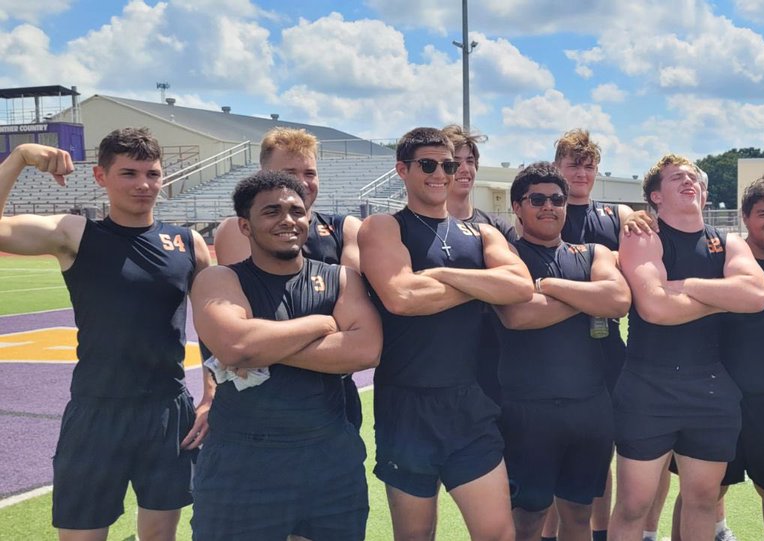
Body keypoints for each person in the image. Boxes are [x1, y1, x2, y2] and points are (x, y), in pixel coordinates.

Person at [0, 128, 212, 541]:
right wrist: (19, 157)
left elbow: (210, 325)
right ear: (101, 176)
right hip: (96, 409)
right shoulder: (75, 234)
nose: (144, 185)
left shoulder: (188, 242)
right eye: (129, 174)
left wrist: (211, 393)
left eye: (152, 173)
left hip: (167, 411)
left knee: (158, 536)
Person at [358, 127, 533, 541]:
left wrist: (438, 275)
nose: (441, 173)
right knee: (416, 536)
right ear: (402, 169)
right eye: (428, 165)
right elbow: (402, 296)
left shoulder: (481, 232)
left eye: (449, 165)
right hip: (406, 404)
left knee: (497, 533)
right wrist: (479, 284)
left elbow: (520, 287)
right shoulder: (384, 227)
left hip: (469, 403)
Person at [189, 171, 381, 540]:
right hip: (243, 461)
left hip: (329, 459)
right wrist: (322, 323)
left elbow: (365, 350)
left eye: (296, 210)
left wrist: (262, 345)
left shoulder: (342, 278)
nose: (288, 220)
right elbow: (236, 346)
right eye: (272, 211)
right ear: (245, 226)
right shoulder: (219, 280)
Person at [608, 154, 764, 541]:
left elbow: (757, 294)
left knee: (701, 500)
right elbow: (656, 308)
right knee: (634, 504)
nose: (688, 182)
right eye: (676, 177)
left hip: (711, 388)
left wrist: (688, 286)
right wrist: (723, 296)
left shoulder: (727, 242)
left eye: (694, 178)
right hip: (647, 386)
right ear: (655, 196)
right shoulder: (642, 235)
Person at [671, 174, 764, 541]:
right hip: (715, 400)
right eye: (763, 212)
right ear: (746, 218)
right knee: (701, 493)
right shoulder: (719, 261)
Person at [493, 162, 631, 541]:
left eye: (557, 199)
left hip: (589, 407)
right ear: (517, 206)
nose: (549, 206)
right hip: (526, 411)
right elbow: (518, 315)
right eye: (537, 199)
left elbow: (618, 299)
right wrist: (588, 297)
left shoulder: (592, 252)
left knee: (579, 515)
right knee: (529, 519)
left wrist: (548, 286)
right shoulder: (506, 258)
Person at [212, 127, 366, 429]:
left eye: (310, 172)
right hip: (262, 398)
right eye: (288, 172)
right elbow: (246, 330)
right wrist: (323, 326)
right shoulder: (236, 228)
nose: (301, 182)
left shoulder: (345, 228)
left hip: (333, 393)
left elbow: (355, 333)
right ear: (263, 175)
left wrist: (258, 346)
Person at [550, 129, 641, 541]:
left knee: (601, 448)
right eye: (574, 164)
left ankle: (601, 533)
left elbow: (632, 278)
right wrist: (598, 288)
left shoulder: (618, 215)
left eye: (589, 165)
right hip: (549, 345)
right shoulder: (543, 209)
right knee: (553, 449)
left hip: (605, 346)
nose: (582, 172)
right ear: (557, 167)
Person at [441, 124, 519, 405]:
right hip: (437, 360)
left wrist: (446, 279)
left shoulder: (495, 226)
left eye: (470, 161)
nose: (465, 169)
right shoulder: (418, 227)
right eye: (455, 162)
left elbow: (515, 286)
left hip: (492, 356)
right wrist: (487, 284)